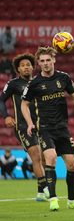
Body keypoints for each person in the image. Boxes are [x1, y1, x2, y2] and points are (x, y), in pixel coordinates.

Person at [21, 46, 74, 211]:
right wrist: (30, 123)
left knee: (73, 165)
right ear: (38, 63)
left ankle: (71, 201)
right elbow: (24, 104)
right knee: (52, 157)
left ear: (54, 60)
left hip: (62, 128)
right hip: (45, 128)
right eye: (42, 61)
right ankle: (53, 199)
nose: (46, 63)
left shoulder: (64, 78)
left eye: (48, 60)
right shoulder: (34, 83)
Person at [0, 52, 49, 201]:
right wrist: (6, 116)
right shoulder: (13, 84)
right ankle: (47, 189)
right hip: (22, 126)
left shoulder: (39, 82)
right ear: (18, 69)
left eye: (29, 65)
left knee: (44, 159)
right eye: (23, 65)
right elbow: (1, 100)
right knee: (35, 155)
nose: (26, 67)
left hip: (41, 126)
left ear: (33, 67)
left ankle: (41, 194)